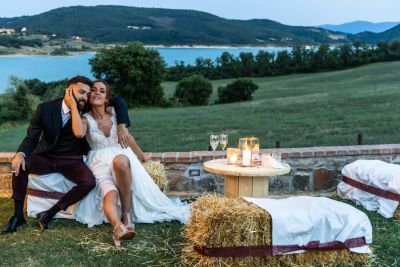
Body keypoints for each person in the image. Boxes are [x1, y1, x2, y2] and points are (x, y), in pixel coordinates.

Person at [1, 76, 131, 234]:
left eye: (87, 94)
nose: (85, 97)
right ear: (68, 91)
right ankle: (17, 216)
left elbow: (119, 101)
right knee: (20, 166)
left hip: (71, 159)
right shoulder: (45, 108)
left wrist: (122, 123)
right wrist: (20, 153)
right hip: (45, 156)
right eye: (81, 92)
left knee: (89, 182)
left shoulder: (84, 108)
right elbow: (32, 137)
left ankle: (49, 213)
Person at [72, 80, 190, 247]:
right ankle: (118, 227)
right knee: (110, 194)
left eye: (102, 91)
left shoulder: (115, 114)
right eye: (93, 90)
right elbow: (78, 133)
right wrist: (74, 107)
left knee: (120, 161)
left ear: (107, 98)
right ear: (89, 95)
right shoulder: (85, 120)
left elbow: (128, 138)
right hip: (98, 162)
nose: (97, 92)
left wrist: (144, 158)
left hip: (122, 155)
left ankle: (126, 215)